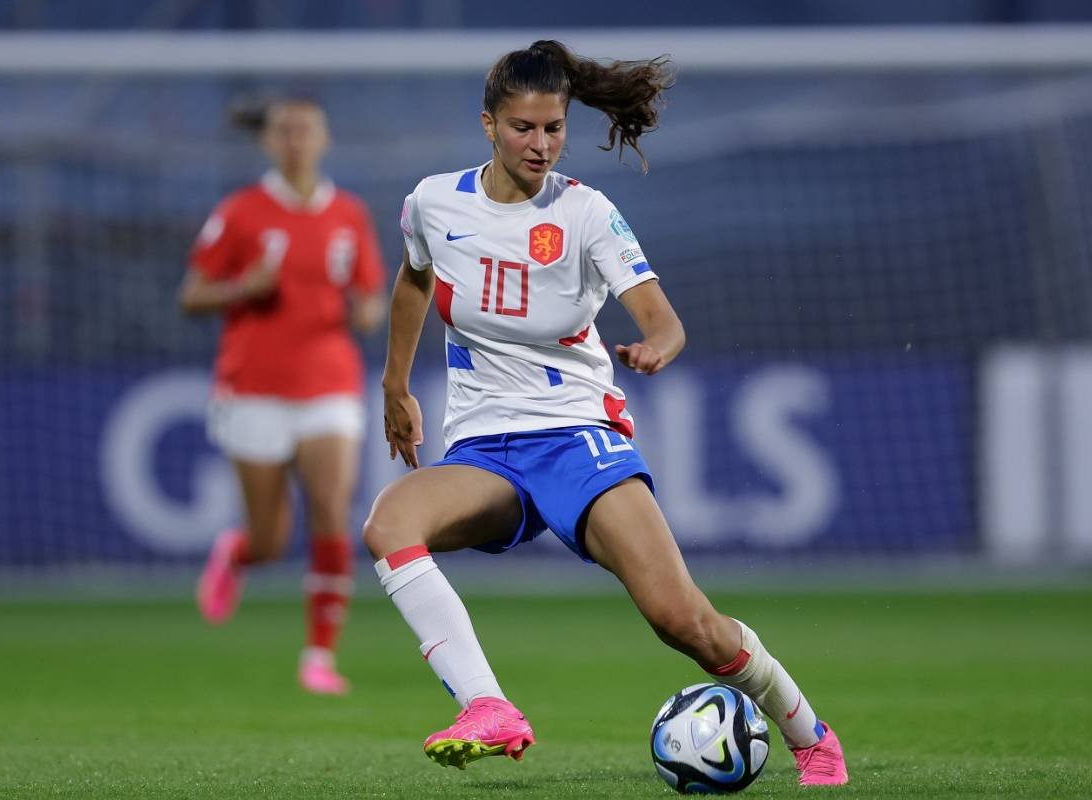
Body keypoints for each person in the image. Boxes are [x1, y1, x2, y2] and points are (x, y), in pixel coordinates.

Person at [362, 40, 849, 785]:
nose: (542, 145)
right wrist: (397, 386)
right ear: (488, 125)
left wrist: (658, 345)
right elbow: (412, 279)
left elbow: (665, 319)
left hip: (576, 440)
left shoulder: (586, 211)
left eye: (554, 128)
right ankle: (488, 706)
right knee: (389, 524)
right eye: (524, 128)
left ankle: (810, 733)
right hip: (485, 449)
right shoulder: (433, 201)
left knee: (682, 621)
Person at [180, 96, 387, 696]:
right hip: (254, 386)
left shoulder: (348, 213)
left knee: (330, 510)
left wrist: (366, 311)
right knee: (271, 537)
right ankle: (240, 554)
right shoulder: (241, 212)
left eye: (306, 129)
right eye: (285, 131)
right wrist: (243, 288)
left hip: (327, 381)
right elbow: (191, 294)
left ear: (323, 138)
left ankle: (319, 656)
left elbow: (370, 297)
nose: (296, 139)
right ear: (269, 142)